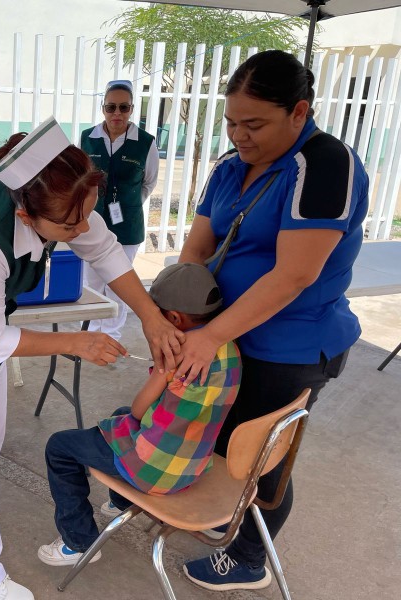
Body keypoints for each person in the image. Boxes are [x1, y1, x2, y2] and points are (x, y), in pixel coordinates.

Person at [0, 117, 184, 600]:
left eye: (86, 214)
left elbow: (105, 250)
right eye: (69, 226)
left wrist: (151, 317)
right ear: (26, 216)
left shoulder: (61, 197)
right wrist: (75, 343)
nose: (81, 229)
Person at [173, 51, 369, 592]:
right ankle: (223, 515)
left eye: (255, 124)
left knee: (260, 458)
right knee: (215, 438)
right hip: (222, 336)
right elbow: (198, 247)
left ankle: (249, 558)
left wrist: (210, 335)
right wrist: (184, 312)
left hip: (291, 347)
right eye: (231, 122)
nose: (240, 135)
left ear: (299, 112)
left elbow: (294, 275)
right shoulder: (230, 166)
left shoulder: (325, 164)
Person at [37, 263, 241, 566]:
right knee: (119, 417)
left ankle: (78, 542)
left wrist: (161, 368)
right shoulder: (229, 348)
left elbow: (140, 409)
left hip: (155, 470)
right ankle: (121, 502)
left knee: (60, 447)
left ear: (174, 318)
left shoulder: (178, 353)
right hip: (192, 463)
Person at [80, 79, 159, 340]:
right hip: (92, 221)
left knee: (119, 285)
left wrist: (129, 203)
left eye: (124, 107)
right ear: (103, 108)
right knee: (92, 282)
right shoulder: (87, 138)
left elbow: (149, 182)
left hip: (127, 224)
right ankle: (92, 333)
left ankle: (112, 335)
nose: (117, 113)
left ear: (132, 109)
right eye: (111, 107)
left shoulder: (145, 142)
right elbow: (81, 178)